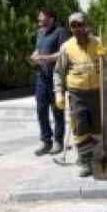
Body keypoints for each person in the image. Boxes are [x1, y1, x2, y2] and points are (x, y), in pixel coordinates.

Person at [53, 12, 107, 178]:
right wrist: (58, 93)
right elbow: (58, 72)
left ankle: (97, 159)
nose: (77, 29)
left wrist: (105, 56)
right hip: (77, 93)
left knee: (97, 128)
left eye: (80, 25)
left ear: (86, 25)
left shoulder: (98, 42)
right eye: (73, 26)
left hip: (97, 92)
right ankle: (85, 162)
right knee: (81, 128)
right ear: (70, 28)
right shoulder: (66, 47)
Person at [30, 9, 71, 156]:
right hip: (41, 77)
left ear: (51, 19)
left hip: (56, 77)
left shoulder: (60, 32)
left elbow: (63, 53)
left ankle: (58, 142)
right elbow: (38, 49)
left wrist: (44, 58)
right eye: (39, 17)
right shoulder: (40, 32)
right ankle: (46, 141)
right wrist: (34, 56)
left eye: (42, 17)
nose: (39, 19)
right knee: (41, 110)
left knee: (57, 110)